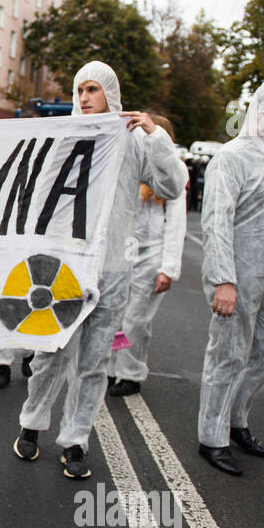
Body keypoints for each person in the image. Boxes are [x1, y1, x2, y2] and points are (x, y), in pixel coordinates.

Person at [13, 61, 185, 479]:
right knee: (50, 355)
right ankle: (32, 423)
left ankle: (75, 441)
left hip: (113, 270)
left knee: (93, 362)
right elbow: (36, 198)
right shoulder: (63, 137)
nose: (85, 98)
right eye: (79, 90)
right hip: (66, 270)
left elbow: (173, 185)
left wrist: (155, 134)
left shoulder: (135, 142)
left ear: (111, 93)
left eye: (92, 90)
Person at [196, 82, 264, 476]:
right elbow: (216, 220)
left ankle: (235, 419)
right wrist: (223, 278)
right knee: (227, 355)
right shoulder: (233, 157)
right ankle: (212, 436)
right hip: (238, 278)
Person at [108, 112, 187, 397]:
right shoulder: (132, 167)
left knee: (136, 320)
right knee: (114, 314)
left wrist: (168, 268)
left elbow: (176, 224)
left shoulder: (172, 173)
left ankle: (131, 373)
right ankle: (110, 368)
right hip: (123, 254)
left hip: (152, 256)